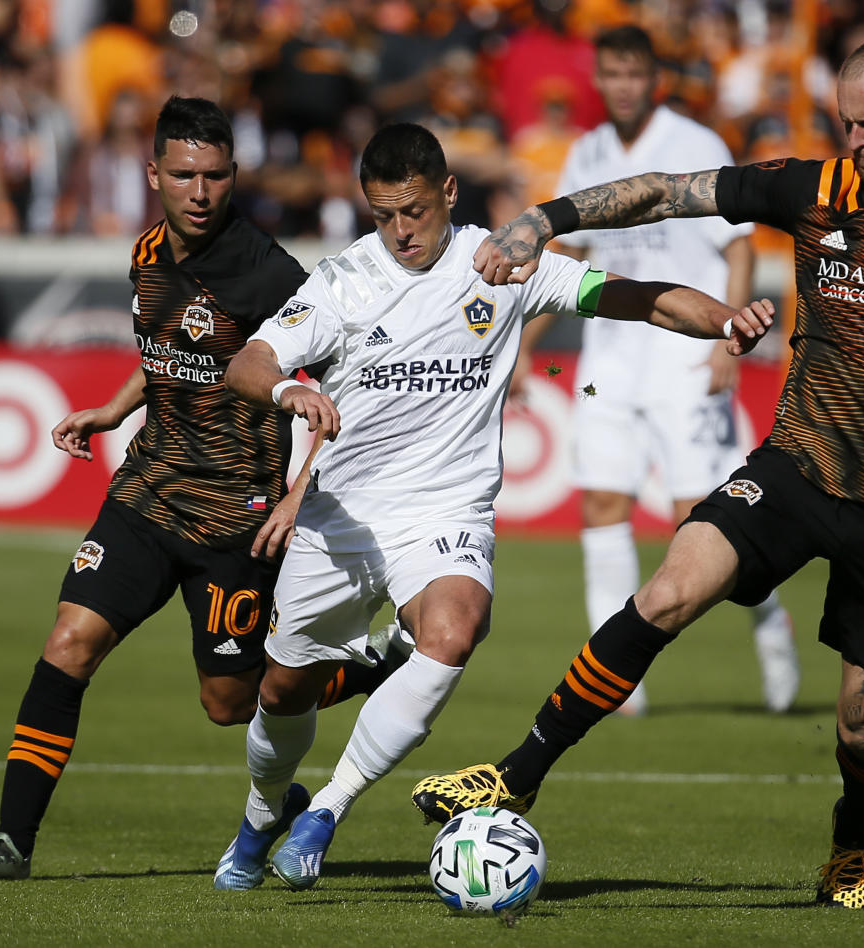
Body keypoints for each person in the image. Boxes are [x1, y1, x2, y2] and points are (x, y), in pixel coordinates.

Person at [412, 35, 864, 910]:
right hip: (799, 467)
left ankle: (852, 847)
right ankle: (516, 774)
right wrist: (545, 219)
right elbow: (667, 194)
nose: (860, 140)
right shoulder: (812, 189)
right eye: (848, 122)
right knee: (667, 591)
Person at [215, 121, 773, 892]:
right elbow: (249, 361)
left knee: (455, 629)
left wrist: (725, 320)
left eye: (413, 210)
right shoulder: (344, 282)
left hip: (446, 512)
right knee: (281, 691)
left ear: (449, 192)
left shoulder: (504, 263)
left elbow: (631, 297)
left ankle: (327, 813)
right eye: (382, 215)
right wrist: (291, 390)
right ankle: (261, 814)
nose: (401, 231)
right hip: (341, 519)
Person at [0, 96, 397, 883]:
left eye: (216, 175)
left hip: (234, 520)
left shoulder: (273, 276)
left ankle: (376, 662)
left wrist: (295, 496)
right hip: (145, 495)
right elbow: (165, 353)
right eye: (183, 173)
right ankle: (10, 843)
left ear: (233, 176)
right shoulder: (148, 251)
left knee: (230, 704)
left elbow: (333, 392)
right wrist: (113, 410)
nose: (200, 190)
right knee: (68, 644)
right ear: (153, 173)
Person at [517, 24, 798, 715]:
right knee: (602, 507)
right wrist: (526, 341)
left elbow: (735, 243)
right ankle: (620, 682)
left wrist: (725, 335)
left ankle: (770, 628)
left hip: (685, 354)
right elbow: (572, 259)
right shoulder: (587, 151)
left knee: (701, 531)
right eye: (609, 74)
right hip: (609, 358)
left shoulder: (697, 145)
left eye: (632, 75)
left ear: (654, 80)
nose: (620, 87)